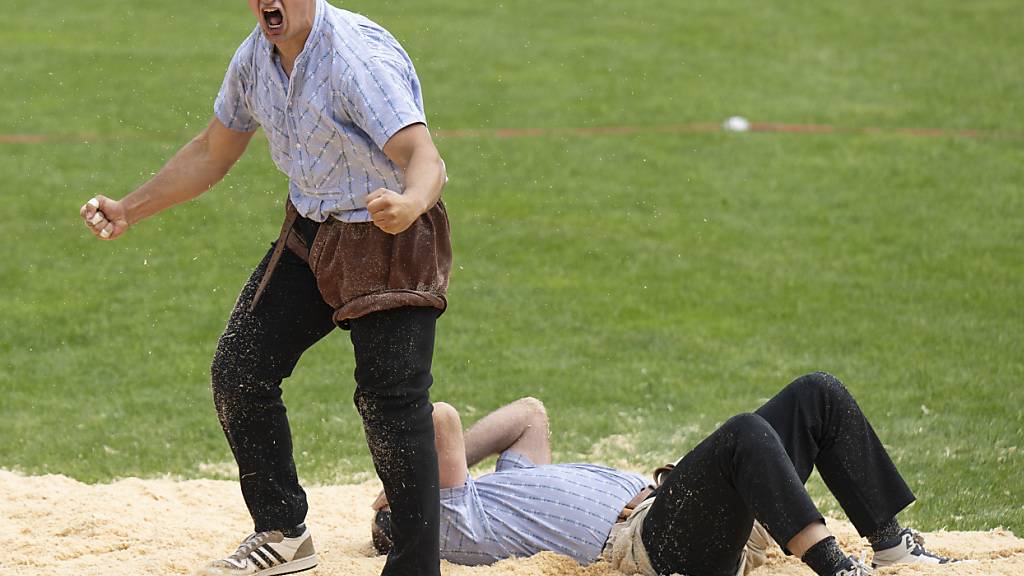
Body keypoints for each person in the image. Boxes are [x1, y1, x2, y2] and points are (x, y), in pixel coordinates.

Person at [79, 1, 450, 575]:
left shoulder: (356, 59)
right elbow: (212, 150)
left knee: (391, 404)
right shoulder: (256, 59)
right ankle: (283, 534)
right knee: (240, 372)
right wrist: (130, 208)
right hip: (311, 232)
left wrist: (409, 203)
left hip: (389, 238)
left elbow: (423, 156)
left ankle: (414, 568)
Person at [371, 373, 964, 576]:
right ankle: (835, 567)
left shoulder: (494, 491)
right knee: (742, 434)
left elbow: (529, 414)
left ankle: (890, 548)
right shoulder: (450, 516)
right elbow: (440, 418)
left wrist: (418, 477)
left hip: (693, 510)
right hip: (654, 544)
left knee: (817, 395)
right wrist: (401, 487)